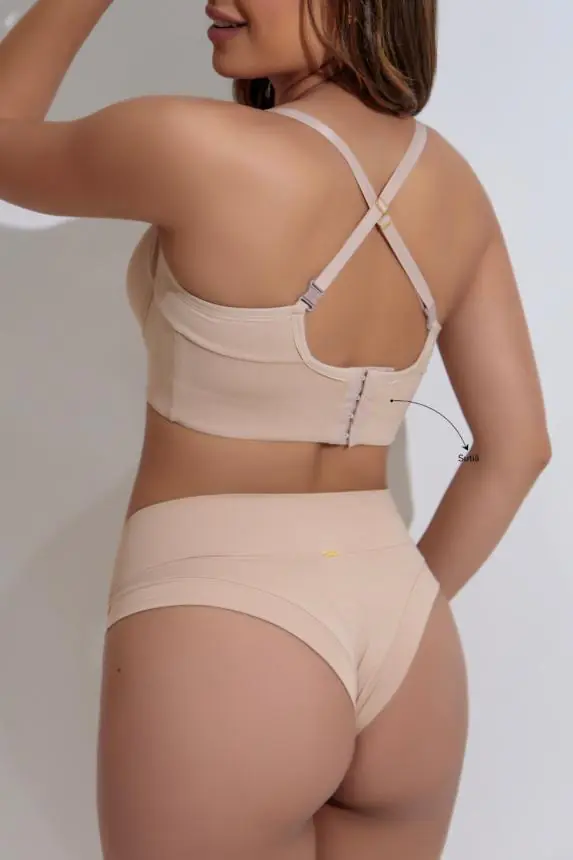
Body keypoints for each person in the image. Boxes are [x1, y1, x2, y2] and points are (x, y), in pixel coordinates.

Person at [0, 0, 551, 858]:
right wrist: (396, 612)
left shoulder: (193, 147)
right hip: (407, 645)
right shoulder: (450, 182)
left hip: (225, 623)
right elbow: (517, 450)